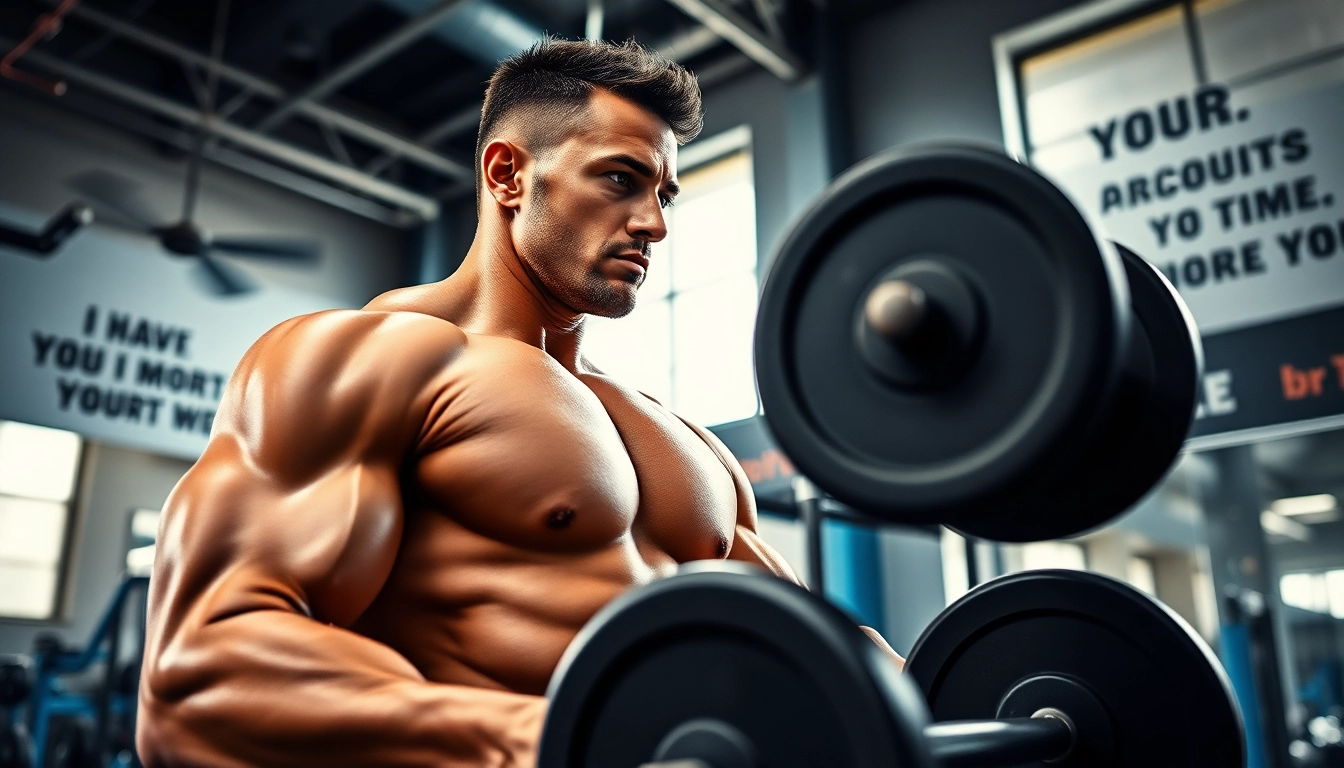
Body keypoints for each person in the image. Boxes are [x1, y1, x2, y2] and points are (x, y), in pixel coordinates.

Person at [137, 37, 901, 767]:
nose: (656, 224)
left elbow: (815, 651)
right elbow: (200, 670)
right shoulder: (363, 360)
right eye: (619, 179)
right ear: (507, 174)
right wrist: (572, 738)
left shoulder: (690, 447)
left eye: (664, 193)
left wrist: (932, 687)